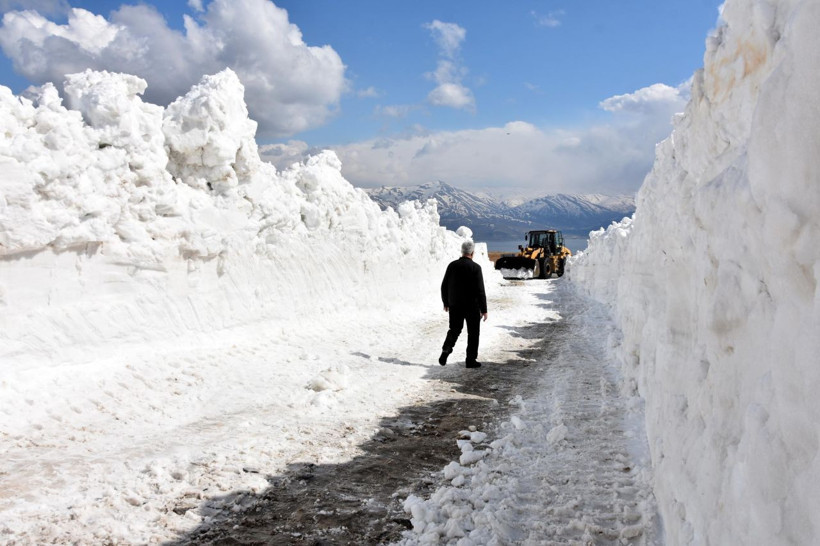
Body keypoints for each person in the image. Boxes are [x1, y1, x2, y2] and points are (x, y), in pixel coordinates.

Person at [439, 239, 488, 368]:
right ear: (472, 253)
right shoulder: (476, 268)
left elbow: (444, 285)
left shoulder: (452, 265)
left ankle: (446, 348)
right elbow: (480, 290)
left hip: (455, 305)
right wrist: (484, 309)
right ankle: (470, 360)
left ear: (462, 251)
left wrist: (446, 302)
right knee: (473, 333)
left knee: (454, 329)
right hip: (472, 306)